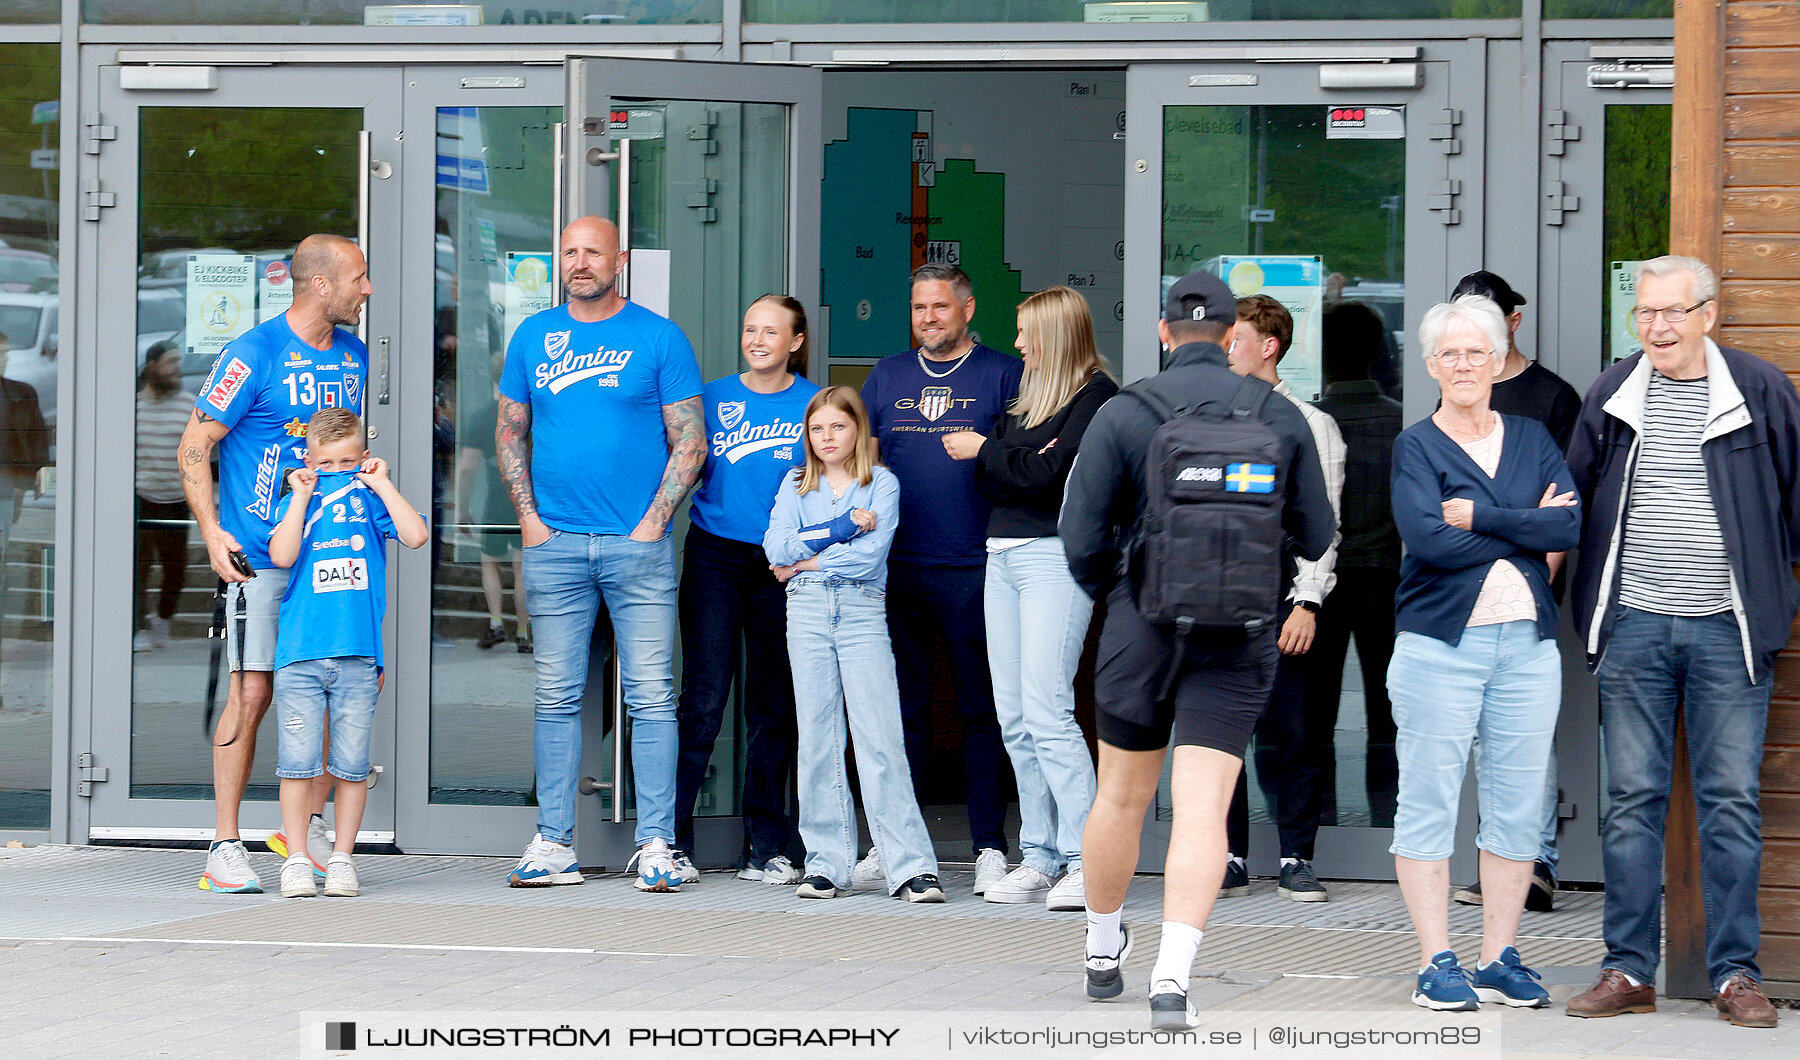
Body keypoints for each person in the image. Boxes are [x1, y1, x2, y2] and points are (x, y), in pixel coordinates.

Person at [1062, 271, 1333, 1030]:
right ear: (1227, 333)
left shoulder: (1123, 412)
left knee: (1120, 793)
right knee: (1205, 809)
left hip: (1140, 628)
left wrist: (1119, 597)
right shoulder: (1278, 415)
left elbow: (1079, 538)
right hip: (1242, 633)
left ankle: (1101, 945)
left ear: (1163, 332)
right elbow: (1316, 534)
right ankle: (1173, 979)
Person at [1565, 255, 1800, 1029]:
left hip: (1727, 633)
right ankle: (1629, 969)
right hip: (1635, 624)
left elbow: (1795, 507)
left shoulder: (1762, 391)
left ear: (1708, 313)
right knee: (1631, 802)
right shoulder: (1612, 392)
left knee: (1729, 803)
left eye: (1672, 312)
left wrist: (1770, 595)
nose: (1658, 327)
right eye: (1646, 313)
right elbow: (1577, 495)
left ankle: (1735, 974)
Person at [497, 215, 704, 893]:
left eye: (592, 251)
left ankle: (656, 846)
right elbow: (510, 432)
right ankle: (554, 844)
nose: (580, 262)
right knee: (555, 696)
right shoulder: (533, 336)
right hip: (554, 544)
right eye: (570, 252)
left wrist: (652, 524)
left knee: (652, 697)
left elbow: (691, 442)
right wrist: (528, 519)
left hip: (636, 548)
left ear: (619, 258)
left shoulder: (658, 337)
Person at [1386, 295, 1579, 1012]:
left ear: (1499, 360)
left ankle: (1499, 958)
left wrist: (1488, 517)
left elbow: (1572, 523)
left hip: (1527, 647)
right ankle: (1436, 960)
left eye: (1477, 352)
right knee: (1429, 800)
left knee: (1518, 807)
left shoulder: (1531, 435)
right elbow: (1430, 541)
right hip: (1441, 645)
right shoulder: (1416, 445)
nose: (1464, 365)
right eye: (1450, 354)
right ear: (1432, 364)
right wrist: (1528, 525)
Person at [178, 233, 370, 894]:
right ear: (321, 285)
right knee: (253, 692)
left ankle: (303, 827)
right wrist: (210, 529)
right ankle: (223, 845)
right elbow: (195, 443)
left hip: (328, 556)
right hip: (258, 558)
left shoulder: (354, 354)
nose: (366, 290)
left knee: (342, 685)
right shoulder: (252, 352)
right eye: (358, 279)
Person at [941, 286, 1118, 910]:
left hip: (1052, 558)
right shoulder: (1027, 398)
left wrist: (992, 451)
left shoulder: (1096, 396)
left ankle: (1085, 857)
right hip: (1002, 555)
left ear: (1056, 335)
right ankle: (1040, 853)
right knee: (1014, 717)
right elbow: (1002, 481)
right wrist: (1008, 459)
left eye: (1025, 333)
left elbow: (1044, 478)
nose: (1016, 344)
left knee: (1048, 712)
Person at [860, 263, 1023, 895]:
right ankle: (895, 843)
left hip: (974, 566)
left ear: (967, 308)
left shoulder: (1004, 374)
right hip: (897, 566)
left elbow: (1019, 461)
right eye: (919, 307)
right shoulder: (888, 374)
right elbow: (862, 460)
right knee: (903, 711)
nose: (929, 317)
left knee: (981, 708)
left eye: (940, 307)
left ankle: (989, 846)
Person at [764, 386, 943, 903]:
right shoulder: (795, 483)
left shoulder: (880, 484)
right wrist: (840, 528)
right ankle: (826, 864)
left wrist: (806, 559)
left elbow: (867, 561)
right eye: (817, 429)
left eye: (837, 427)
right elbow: (774, 547)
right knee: (818, 740)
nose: (826, 438)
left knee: (879, 739)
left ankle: (908, 867)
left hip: (861, 610)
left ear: (858, 430)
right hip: (807, 612)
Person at [1446, 270, 1581, 912]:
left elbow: (1565, 502)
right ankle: (1499, 861)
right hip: (1463, 586)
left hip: (1527, 587)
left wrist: (1540, 575)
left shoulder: (1553, 397)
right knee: (1476, 729)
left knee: (1525, 726)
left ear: (1514, 322)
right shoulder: (1454, 391)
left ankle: (1537, 865)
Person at [674, 295, 819, 885]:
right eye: (749, 329)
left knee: (773, 705)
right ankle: (672, 838)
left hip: (782, 564)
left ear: (796, 340)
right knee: (703, 700)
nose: (757, 340)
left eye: (771, 331)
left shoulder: (815, 403)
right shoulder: (709, 398)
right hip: (714, 556)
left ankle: (766, 845)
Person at [267, 408, 428, 898]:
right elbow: (282, 555)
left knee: (352, 764)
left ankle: (342, 859)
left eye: (347, 460)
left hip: (358, 654)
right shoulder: (299, 497)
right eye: (327, 462)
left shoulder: (370, 497)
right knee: (298, 762)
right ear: (309, 459)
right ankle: (296, 858)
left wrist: (382, 485)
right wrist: (300, 495)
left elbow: (416, 535)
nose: (337, 470)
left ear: (364, 457)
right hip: (300, 654)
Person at [1222, 294, 1345, 903]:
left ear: (1268, 347)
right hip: (1219, 598)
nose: (1225, 349)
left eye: (1235, 338)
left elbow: (1325, 524)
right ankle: (1230, 855)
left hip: (1282, 598)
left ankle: (1298, 855)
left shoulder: (1310, 423)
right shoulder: (1210, 417)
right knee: (1222, 735)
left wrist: (1307, 601)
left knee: (1293, 732)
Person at [1311, 302, 1404, 828]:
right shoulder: (1402, 422)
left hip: (1321, 587)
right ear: (1377, 354)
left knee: (1315, 713)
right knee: (1387, 716)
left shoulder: (1311, 422)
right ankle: (1386, 823)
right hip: (1386, 579)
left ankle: (1316, 826)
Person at [456, 353, 531, 654]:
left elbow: (467, 467)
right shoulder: (528, 413)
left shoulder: (484, 414)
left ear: (492, 376)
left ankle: (496, 622)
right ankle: (524, 633)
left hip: (495, 498)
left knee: (490, 561)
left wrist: (462, 509)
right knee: (521, 567)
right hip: (526, 497)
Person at [135, 341, 194, 653]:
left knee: (175, 568)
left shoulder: (188, 404)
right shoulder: (133, 407)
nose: (176, 369)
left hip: (175, 499)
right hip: (141, 498)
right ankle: (139, 627)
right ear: (152, 366)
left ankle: (163, 619)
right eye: (170, 362)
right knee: (139, 567)